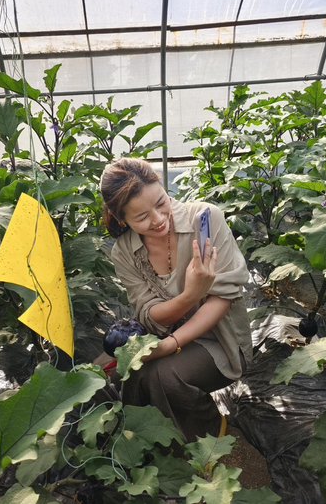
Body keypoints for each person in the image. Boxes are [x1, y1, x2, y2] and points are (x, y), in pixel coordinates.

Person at [100, 158, 252, 442]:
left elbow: (223, 298)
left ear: (163, 187)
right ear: (122, 220)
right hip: (166, 333)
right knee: (117, 373)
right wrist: (191, 295)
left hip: (220, 339)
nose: (158, 219)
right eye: (141, 217)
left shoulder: (206, 218)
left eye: (161, 202)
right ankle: (145, 438)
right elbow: (149, 315)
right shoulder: (124, 251)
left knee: (162, 376)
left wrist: (170, 345)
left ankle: (206, 431)